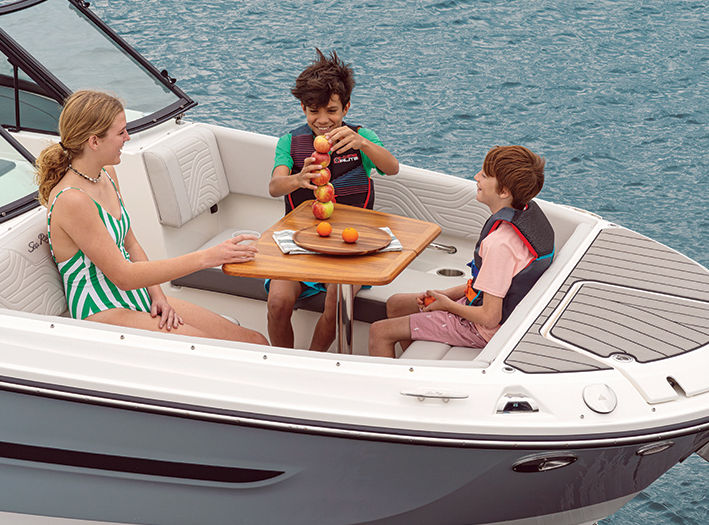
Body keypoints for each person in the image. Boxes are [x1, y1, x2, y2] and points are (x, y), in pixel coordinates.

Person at [37, 90, 268, 345]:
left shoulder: (107, 174)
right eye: (121, 132)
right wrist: (208, 257)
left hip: (136, 294)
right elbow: (123, 275)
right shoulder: (73, 200)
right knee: (225, 354)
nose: (127, 138)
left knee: (255, 341)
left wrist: (158, 295)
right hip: (102, 308)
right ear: (94, 141)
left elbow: (131, 243)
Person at [266, 49, 400, 350]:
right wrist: (299, 180)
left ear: (346, 108)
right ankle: (285, 365)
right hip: (301, 241)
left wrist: (364, 143)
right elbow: (275, 186)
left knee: (335, 305)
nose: (323, 120)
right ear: (303, 108)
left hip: (351, 244)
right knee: (277, 302)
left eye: (331, 111)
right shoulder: (290, 142)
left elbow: (392, 168)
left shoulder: (362, 138)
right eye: (314, 111)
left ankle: (310, 365)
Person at [368, 145, 554, 358]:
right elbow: (487, 288)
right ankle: (417, 364)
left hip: (482, 330)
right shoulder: (525, 218)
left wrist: (448, 306)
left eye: (484, 175)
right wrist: (447, 294)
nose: (476, 177)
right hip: (490, 312)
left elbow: (490, 316)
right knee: (395, 304)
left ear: (504, 192)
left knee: (379, 332)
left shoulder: (499, 244)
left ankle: (399, 385)